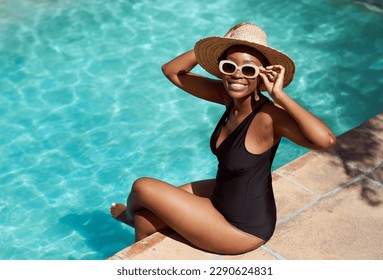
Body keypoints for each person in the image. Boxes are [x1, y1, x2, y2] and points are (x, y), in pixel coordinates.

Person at [110, 23, 336, 255]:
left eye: (249, 70)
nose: (237, 74)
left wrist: (279, 95)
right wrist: (218, 44)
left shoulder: (269, 117)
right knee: (146, 219)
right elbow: (171, 71)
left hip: (243, 228)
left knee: (142, 187)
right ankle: (136, 245)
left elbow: (325, 140)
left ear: (262, 76)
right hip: (223, 195)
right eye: (230, 66)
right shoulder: (228, 98)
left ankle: (129, 216)